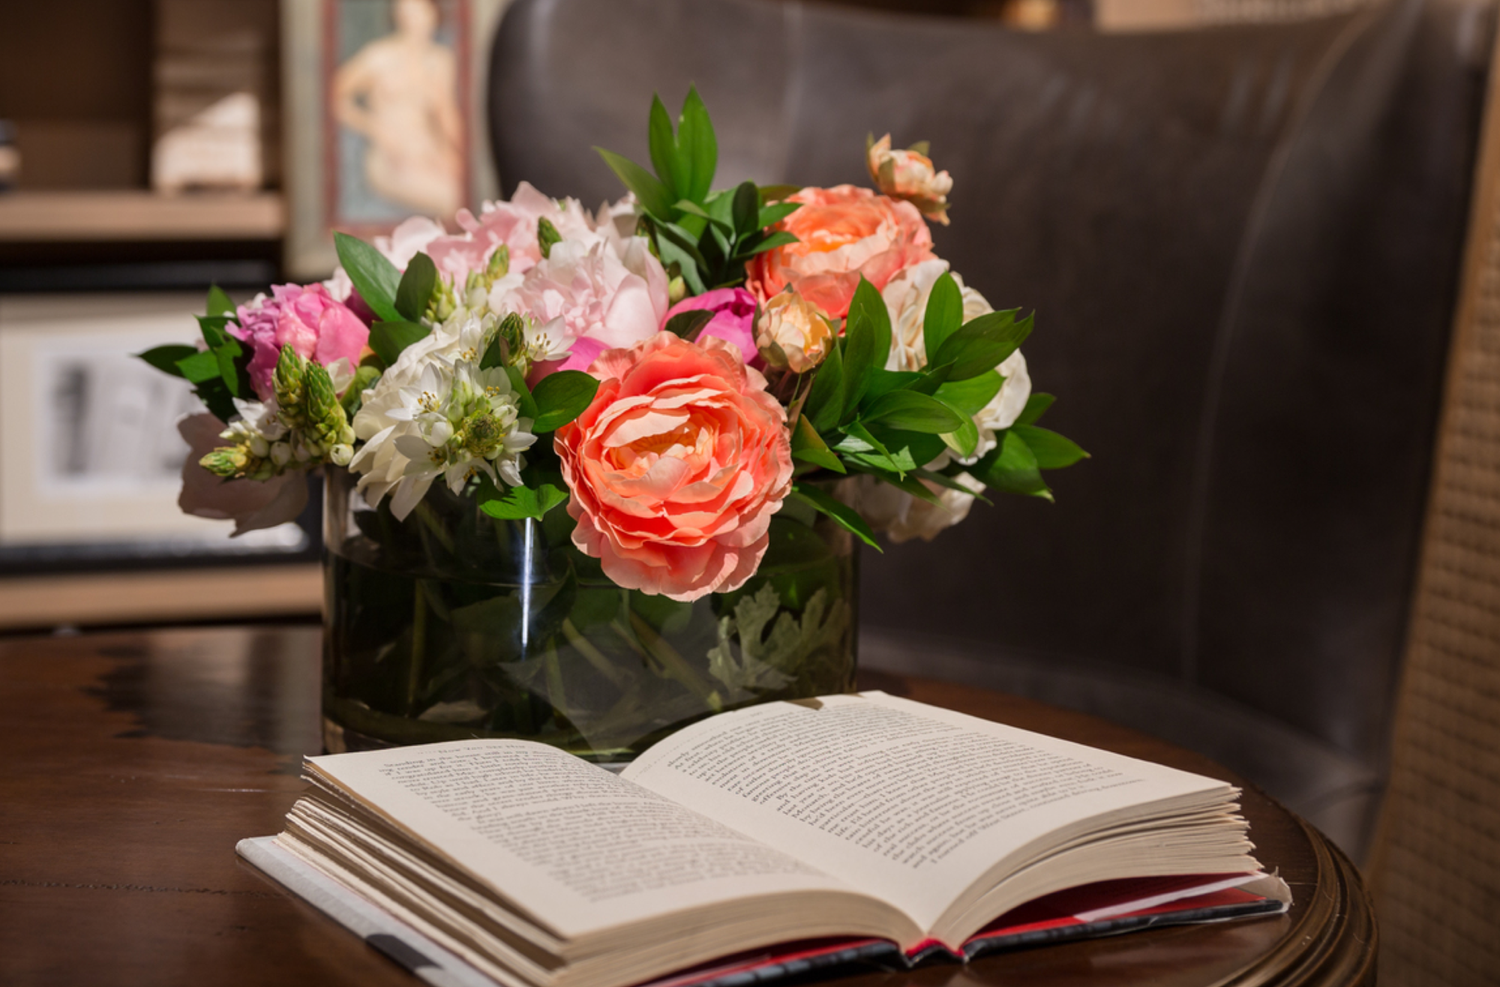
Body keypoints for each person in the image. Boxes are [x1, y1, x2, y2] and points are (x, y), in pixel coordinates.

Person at [333, 0, 463, 216]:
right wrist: (374, 127)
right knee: (450, 200)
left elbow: (446, 116)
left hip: (430, 154)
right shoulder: (379, 56)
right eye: (406, 11)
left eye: (420, 11)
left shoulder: (441, 59)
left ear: (433, 14)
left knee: (467, 193)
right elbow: (331, 96)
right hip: (393, 159)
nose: (413, 19)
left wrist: (459, 158)